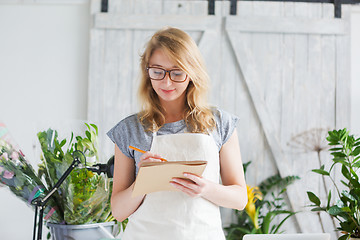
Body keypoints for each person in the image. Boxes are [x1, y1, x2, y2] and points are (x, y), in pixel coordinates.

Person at [107, 27, 247, 240]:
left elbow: (239, 198)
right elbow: (118, 212)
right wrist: (143, 182)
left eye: (177, 72)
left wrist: (206, 189)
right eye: (157, 71)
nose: (166, 82)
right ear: (147, 72)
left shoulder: (220, 123)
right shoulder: (130, 129)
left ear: (191, 72)